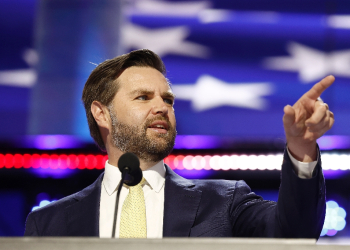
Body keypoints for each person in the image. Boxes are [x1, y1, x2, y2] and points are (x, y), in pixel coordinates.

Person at [24, 49, 334, 238]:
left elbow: (296, 232)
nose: (161, 107)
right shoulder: (49, 223)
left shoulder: (224, 201)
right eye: (143, 97)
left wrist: (300, 148)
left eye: (167, 99)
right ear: (101, 114)